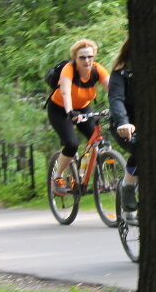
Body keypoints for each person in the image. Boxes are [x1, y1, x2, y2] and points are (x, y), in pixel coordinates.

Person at [47, 38, 110, 194]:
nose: (87, 60)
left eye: (90, 56)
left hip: (83, 108)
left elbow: (113, 90)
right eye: (82, 57)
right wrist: (70, 111)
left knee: (98, 142)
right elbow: (65, 91)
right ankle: (58, 177)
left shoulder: (97, 69)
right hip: (60, 109)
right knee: (71, 144)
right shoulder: (69, 69)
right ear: (75, 58)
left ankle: (84, 175)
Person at [107, 39, 138, 218]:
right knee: (141, 149)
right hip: (124, 124)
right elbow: (116, 99)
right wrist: (123, 122)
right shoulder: (120, 73)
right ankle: (128, 186)